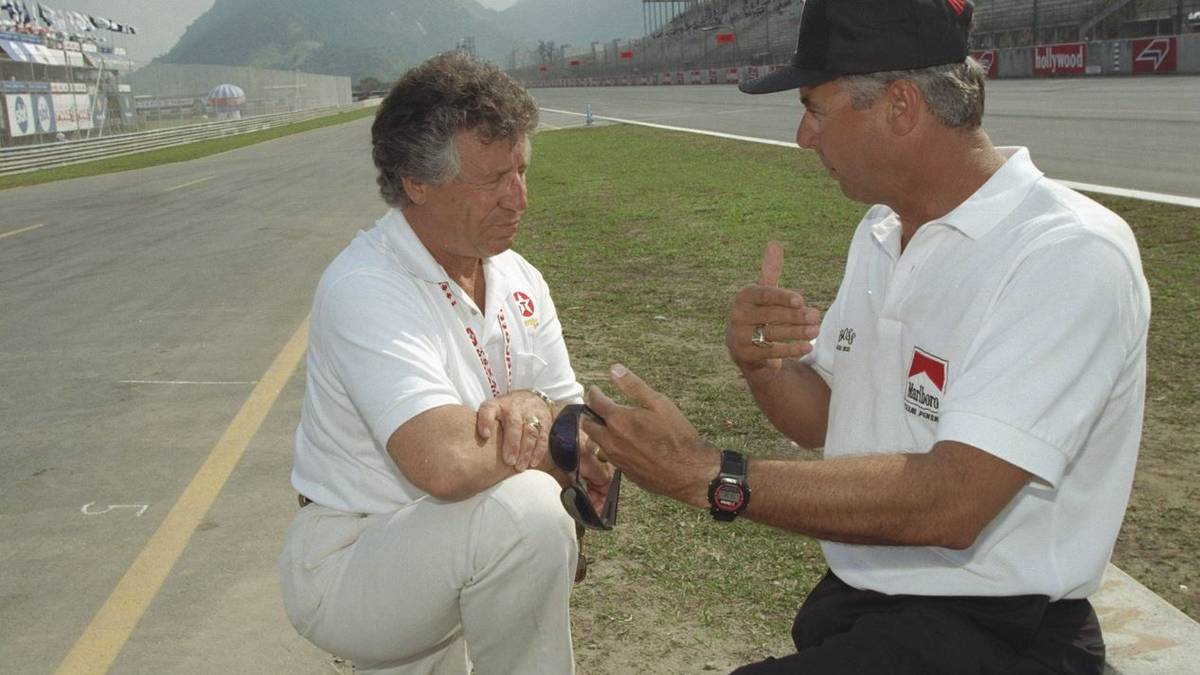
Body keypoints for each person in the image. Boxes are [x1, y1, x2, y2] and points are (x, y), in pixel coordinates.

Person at [583, 1, 1150, 673]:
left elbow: (954, 500)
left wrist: (707, 474)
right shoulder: (884, 230)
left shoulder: (1066, 254)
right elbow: (826, 414)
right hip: (873, 608)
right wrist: (762, 365)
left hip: (999, 634)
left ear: (901, 106)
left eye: (815, 109)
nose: (802, 136)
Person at [278, 51, 613, 675]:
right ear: (416, 181)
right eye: (493, 179)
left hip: (448, 539)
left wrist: (546, 420)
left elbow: (581, 428)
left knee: (522, 512)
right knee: (533, 513)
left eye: (521, 170)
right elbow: (446, 462)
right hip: (353, 559)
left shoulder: (519, 277)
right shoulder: (367, 284)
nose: (519, 199)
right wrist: (545, 425)